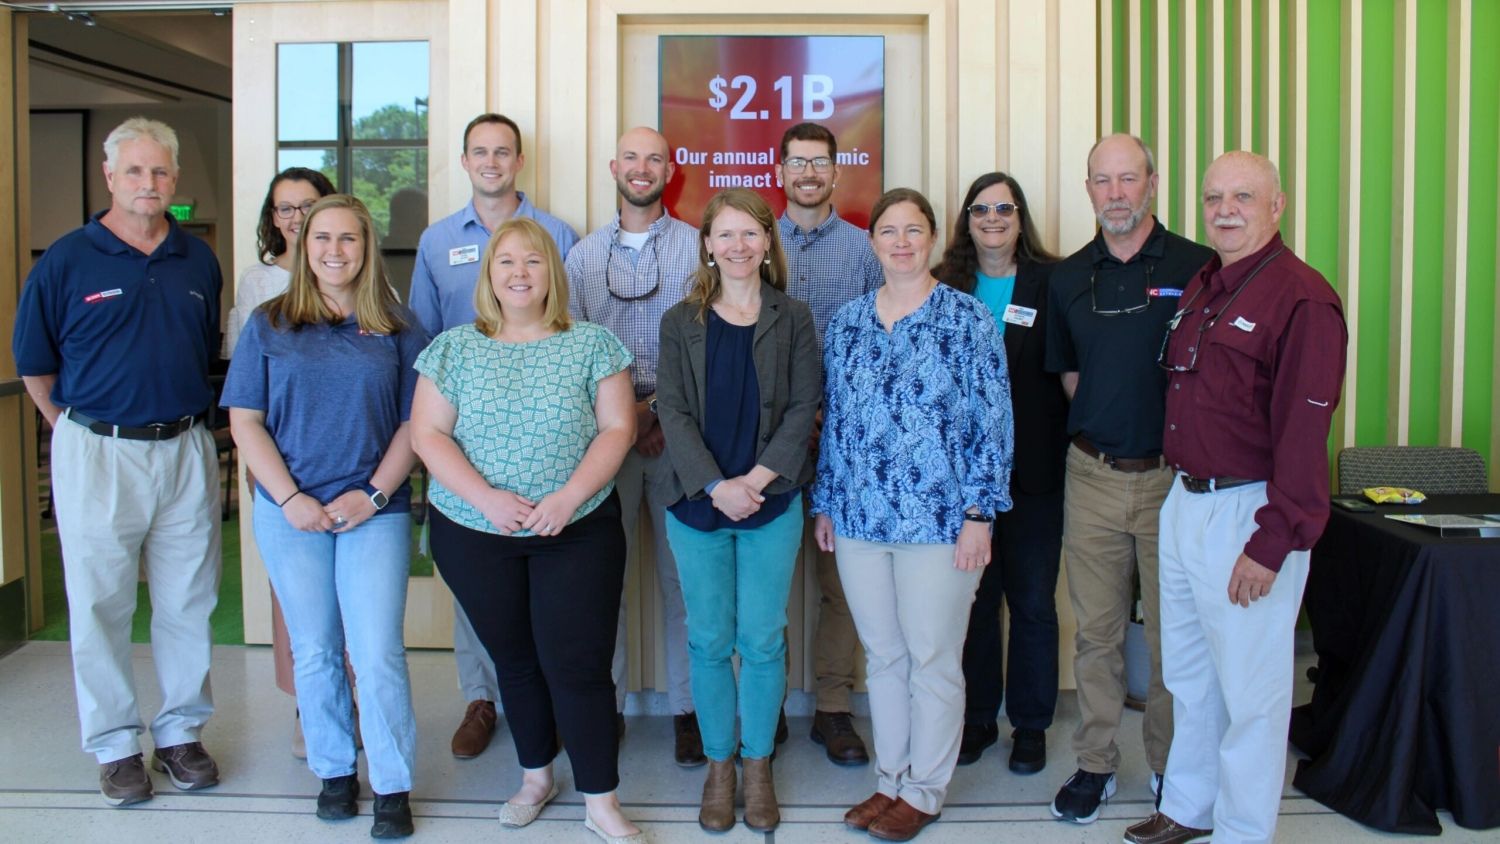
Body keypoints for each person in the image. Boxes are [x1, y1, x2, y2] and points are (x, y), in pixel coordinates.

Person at [1125, 152, 1347, 844]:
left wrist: (1273, 541)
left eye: (1243, 196)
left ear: (1276, 205)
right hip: (1185, 501)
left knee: (1251, 694)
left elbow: (1304, 434)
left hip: (1250, 513)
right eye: (1214, 196)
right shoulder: (1206, 284)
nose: (1225, 209)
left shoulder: (1302, 298)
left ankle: (1244, 831)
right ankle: (1189, 808)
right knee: (1189, 675)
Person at [410, 218, 645, 843]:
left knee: (580, 665)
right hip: (474, 529)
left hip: (577, 528)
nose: (519, 272)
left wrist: (568, 497)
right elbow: (427, 434)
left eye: (533, 261)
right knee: (514, 661)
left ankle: (601, 800)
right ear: (489, 274)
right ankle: (535, 776)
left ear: (553, 274)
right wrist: (486, 499)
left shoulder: (593, 344)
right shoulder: (454, 348)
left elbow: (617, 430)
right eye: (506, 261)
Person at [12, 117, 223, 806]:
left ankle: (181, 734)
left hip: (186, 448)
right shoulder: (68, 260)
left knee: (189, 601)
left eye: (159, 171)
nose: (148, 183)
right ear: (109, 177)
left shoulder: (198, 261)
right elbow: (35, 366)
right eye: (134, 171)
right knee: (100, 603)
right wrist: (81, 435)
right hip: (97, 450)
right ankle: (114, 746)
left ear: (175, 179)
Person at [813, 188, 1014, 842]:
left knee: (933, 659)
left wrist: (981, 512)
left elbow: (993, 420)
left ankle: (925, 790)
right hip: (861, 520)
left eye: (913, 230)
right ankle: (889, 780)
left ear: (930, 238)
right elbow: (836, 422)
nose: (901, 242)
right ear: (871, 242)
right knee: (883, 657)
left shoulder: (965, 318)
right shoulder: (846, 323)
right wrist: (826, 504)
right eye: (888, 231)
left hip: (941, 522)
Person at [223, 194, 424, 838]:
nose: (335, 251)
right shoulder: (269, 322)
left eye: (349, 240)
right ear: (302, 246)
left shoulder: (396, 325)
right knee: (313, 650)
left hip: (375, 510)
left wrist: (372, 494)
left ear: (367, 249)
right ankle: (335, 771)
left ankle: (392, 784)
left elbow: (415, 425)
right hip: (290, 513)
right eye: (322, 239)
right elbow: (244, 420)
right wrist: (290, 499)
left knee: (377, 651)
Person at [1043, 134, 1214, 823]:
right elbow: (1071, 375)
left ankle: (1173, 769)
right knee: (1096, 634)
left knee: (1175, 637)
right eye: (1101, 181)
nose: (1115, 193)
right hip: (1092, 476)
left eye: (1127, 179)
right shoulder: (1066, 277)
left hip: (1176, 481)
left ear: (1152, 183)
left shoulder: (1198, 267)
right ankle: (1095, 763)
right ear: (1088, 188)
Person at [409, 113, 581, 759]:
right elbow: (422, 340)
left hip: (547, 440)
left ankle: (553, 702)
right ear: (464, 160)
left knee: (553, 581)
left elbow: (575, 335)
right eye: (479, 151)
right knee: (476, 577)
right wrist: (427, 437)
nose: (491, 161)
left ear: (518, 161)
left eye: (502, 151)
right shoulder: (436, 242)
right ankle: (480, 698)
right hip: (464, 439)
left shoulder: (558, 235)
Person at [655, 189, 821, 832]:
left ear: (767, 243)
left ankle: (758, 765)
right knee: (708, 638)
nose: (738, 247)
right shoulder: (680, 321)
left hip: (770, 500)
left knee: (761, 638)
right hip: (697, 504)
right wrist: (717, 485)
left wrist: (753, 480)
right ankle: (719, 766)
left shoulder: (794, 317)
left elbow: (805, 405)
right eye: (725, 235)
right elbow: (671, 410)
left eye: (750, 234)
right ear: (706, 245)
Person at [565, 126, 702, 765]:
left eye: (654, 158)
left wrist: (655, 415)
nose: (641, 168)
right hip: (603, 439)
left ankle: (690, 711)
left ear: (669, 170)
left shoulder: (701, 248)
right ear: (612, 165)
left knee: (685, 583)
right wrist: (625, 418)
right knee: (601, 582)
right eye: (630, 157)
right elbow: (569, 351)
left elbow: (705, 341)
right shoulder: (583, 257)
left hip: (681, 436)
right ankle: (607, 708)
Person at [934, 172, 1067, 774]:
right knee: (977, 604)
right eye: (980, 208)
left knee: (1034, 602)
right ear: (966, 219)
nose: (992, 218)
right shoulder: (943, 285)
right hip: (963, 482)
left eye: (1004, 208)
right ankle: (979, 718)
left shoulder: (1053, 281)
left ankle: (1032, 725)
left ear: (1021, 217)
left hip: (1036, 472)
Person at [773, 122, 881, 766]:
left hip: (845, 445)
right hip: (768, 446)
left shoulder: (867, 251)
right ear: (780, 172)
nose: (809, 173)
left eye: (820, 163)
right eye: (797, 163)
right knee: (771, 582)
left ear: (836, 173)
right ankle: (771, 706)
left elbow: (876, 347)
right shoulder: (757, 247)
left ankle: (834, 711)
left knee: (840, 586)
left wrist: (830, 417)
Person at [224, 166, 338, 759]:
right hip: (278, 459)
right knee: (296, 596)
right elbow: (245, 380)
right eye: (285, 208)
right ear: (273, 218)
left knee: (347, 595)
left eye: (308, 205)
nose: (296, 217)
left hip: (348, 461)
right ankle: (307, 706)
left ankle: (348, 703)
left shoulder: (358, 272)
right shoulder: (256, 282)